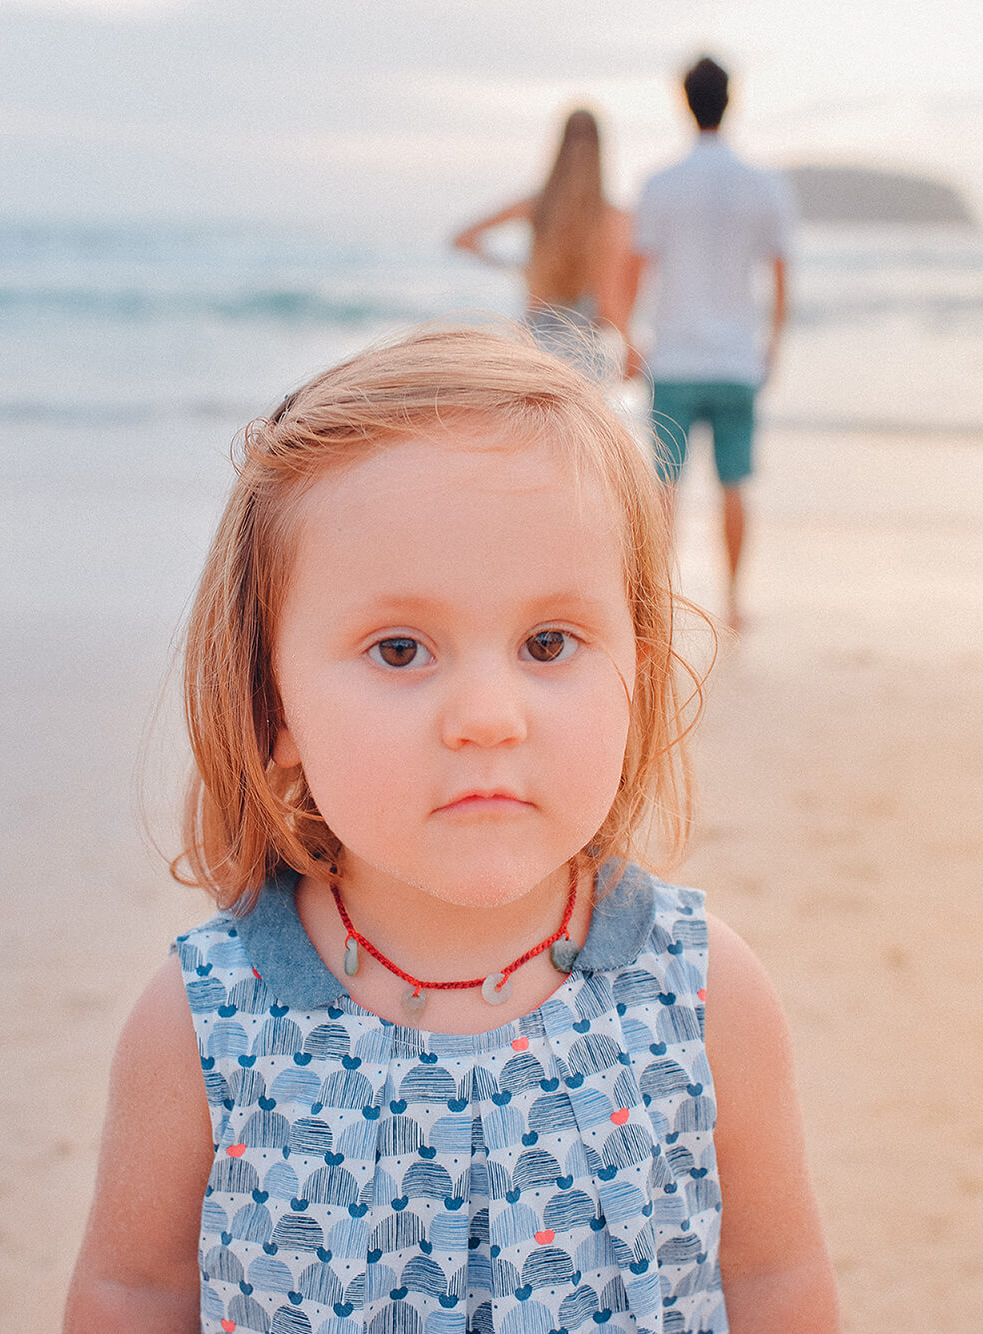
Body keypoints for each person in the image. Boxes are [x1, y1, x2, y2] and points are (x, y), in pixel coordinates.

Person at [61, 328, 839, 1333]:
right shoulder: (209, 1019)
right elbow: (135, 1289)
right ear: (274, 704)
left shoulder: (698, 990)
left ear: (634, 672)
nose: (487, 712)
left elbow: (774, 1273)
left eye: (546, 642)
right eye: (399, 648)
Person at [625, 57, 796, 629]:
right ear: (732, 101)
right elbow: (780, 274)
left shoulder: (660, 183)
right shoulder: (763, 183)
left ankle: (659, 604)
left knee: (665, 486)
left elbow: (637, 268)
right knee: (735, 486)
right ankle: (734, 603)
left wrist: (627, 335)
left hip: (673, 356)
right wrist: (774, 342)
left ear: (684, 101)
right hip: (734, 357)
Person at [452, 109, 635, 381]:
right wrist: (631, 351)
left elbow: (463, 238)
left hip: (535, 340)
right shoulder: (612, 216)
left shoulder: (538, 205)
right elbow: (609, 302)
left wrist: (519, 266)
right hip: (587, 342)